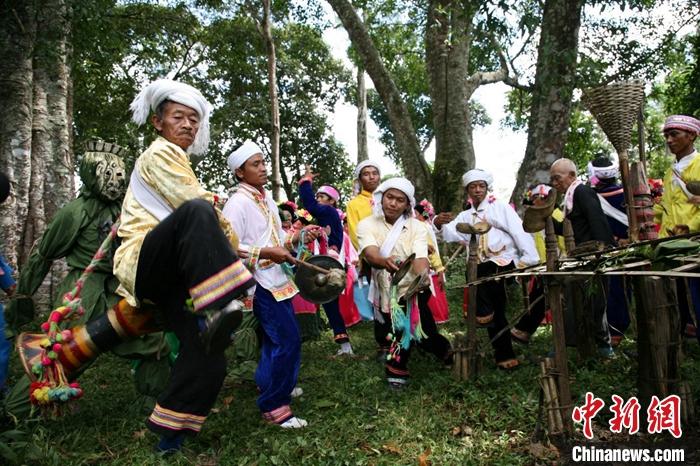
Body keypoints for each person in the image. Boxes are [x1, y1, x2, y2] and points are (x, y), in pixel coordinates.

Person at [115, 79, 256, 453]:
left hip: (174, 273)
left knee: (209, 354)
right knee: (197, 210)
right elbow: (196, 205)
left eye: (194, 120)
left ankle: (169, 439)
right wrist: (229, 238)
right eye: (179, 117)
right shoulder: (159, 154)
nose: (189, 125)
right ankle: (219, 305)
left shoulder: (181, 161)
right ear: (157, 122)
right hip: (144, 261)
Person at [4, 143, 171, 419]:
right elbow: (42, 257)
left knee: (151, 342)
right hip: (83, 296)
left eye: (119, 172)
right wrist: (21, 303)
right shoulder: (74, 212)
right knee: (62, 355)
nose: (116, 178)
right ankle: (16, 413)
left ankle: (153, 406)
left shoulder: (129, 210)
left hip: (119, 290)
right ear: (91, 173)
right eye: (107, 171)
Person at [223, 140, 321, 428]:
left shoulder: (266, 199)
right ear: (240, 172)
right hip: (260, 283)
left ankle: (270, 383)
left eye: (263, 162)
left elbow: (280, 239)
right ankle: (275, 405)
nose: (264, 168)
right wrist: (266, 253)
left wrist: (300, 237)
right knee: (287, 341)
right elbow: (227, 248)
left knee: (274, 340)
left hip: (279, 280)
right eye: (255, 164)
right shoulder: (237, 203)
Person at [434, 169, 538, 369]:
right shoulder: (466, 215)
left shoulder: (500, 208)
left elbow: (518, 230)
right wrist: (438, 223)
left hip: (504, 261)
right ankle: (504, 356)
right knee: (497, 310)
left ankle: (483, 313)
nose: (477, 190)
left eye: (481, 186)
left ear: (487, 188)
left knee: (483, 273)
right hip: (480, 267)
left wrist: (529, 258)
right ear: (468, 191)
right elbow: (449, 233)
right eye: (473, 187)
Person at [357, 177, 452, 389]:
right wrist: (384, 262)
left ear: (407, 205)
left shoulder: (417, 227)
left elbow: (420, 257)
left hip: (414, 287)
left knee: (415, 331)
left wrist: (422, 277)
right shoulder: (366, 224)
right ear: (381, 198)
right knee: (408, 330)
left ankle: (400, 368)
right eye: (389, 197)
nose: (393, 203)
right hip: (385, 286)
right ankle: (438, 352)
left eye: (400, 200)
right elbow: (371, 253)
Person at [549, 158, 614, 356]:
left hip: (594, 256)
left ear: (572, 176)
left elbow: (597, 220)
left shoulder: (582, 192)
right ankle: (584, 344)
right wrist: (545, 218)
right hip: (581, 257)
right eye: (552, 180)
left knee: (596, 300)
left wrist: (602, 252)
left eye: (557, 178)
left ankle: (602, 346)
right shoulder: (570, 196)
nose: (554, 183)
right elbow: (572, 229)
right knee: (581, 299)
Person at [298, 167, 353, 355]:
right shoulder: (327, 217)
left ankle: (345, 346)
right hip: (327, 262)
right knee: (330, 305)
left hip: (329, 263)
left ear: (332, 201)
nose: (318, 199)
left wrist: (305, 182)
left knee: (330, 304)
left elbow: (310, 205)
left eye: (322, 197)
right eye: (318, 196)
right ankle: (344, 344)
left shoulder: (328, 211)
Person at [656, 115, 700, 342]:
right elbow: (666, 206)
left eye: (674, 134)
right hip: (670, 241)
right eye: (666, 135)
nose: (669, 140)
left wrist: (692, 227)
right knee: (677, 293)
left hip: (694, 240)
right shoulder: (670, 171)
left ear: (691, 135)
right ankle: (683, 335)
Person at [511, 184, 564, 344]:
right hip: (544, 267)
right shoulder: (541, 219)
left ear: (544, 198)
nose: (533, 203)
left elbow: (565, 245)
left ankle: (523, 330)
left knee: (541, 299)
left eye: (535, 198)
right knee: (538, 298)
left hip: (559, 266)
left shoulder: (557, 216)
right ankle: (523, 331)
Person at [588, 156, 631, 347]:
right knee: (622, 289)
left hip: (605, 249)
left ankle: (612, 330)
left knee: (611, 290)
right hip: (629, 247)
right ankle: (617, 328)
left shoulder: (591, 197)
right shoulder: (627, 192)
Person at [414, 199, 449, 324]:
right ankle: (441, 316)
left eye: (415, 213)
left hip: (428, 261)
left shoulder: (422, 226)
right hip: (432, 261)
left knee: (431, 292)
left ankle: (436, 317)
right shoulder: (427, 225)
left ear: (420, 214)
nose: (413, 216)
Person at [347, 160, 381, 250]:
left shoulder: (389, 199)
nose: (371, 177)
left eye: (375, 173)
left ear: (379, 177)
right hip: (369, 253)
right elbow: (355, 235)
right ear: (360, 180)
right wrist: (372, 253)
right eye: (366, 174)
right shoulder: (353, 204)